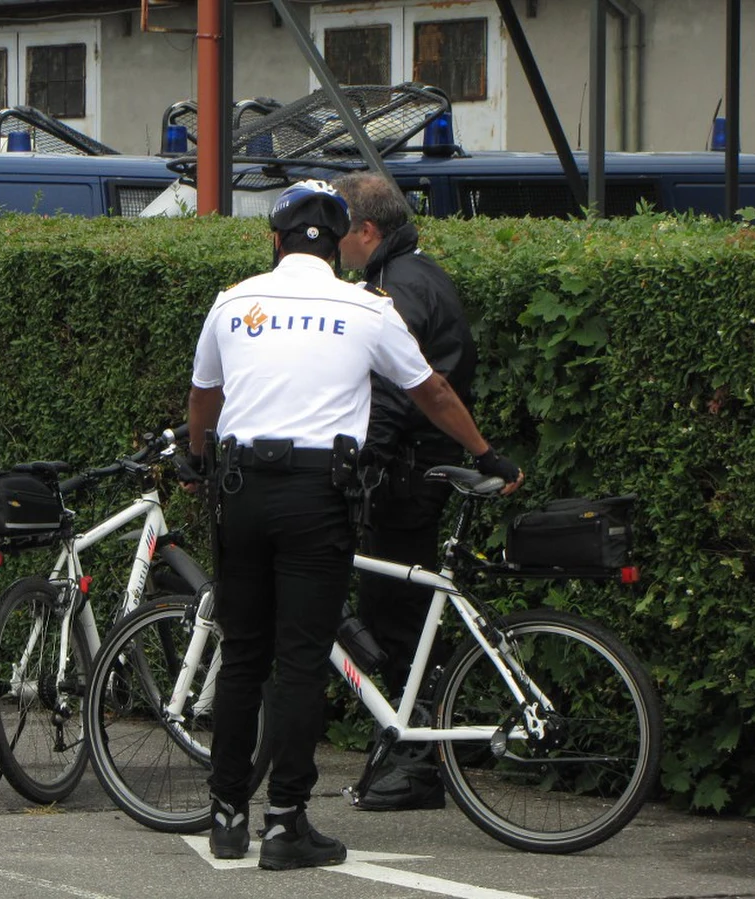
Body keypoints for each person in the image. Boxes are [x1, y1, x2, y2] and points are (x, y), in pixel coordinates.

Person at [187, 179, 522, 870]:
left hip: (242, 489)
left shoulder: (232, 302)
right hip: (317, 495)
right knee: (301, 660)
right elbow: (430, 389)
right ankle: (285, 822)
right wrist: (486, 453)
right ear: (340, 244)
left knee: (244, 653)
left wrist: (198, 460)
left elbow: (204, 398)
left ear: (274, 240)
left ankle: (225, 814)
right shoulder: (365, 308)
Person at [332, 172, 477, 812]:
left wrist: (361, 471)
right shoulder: (412, 273)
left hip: (409, 472)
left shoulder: (397, 288)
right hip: (418, 465)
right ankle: (413, 750)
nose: (332, 243)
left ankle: (416, 762)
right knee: (401, 610)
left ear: (367, 230)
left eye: (339, 229)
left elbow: (396, 390)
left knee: (394, 613)